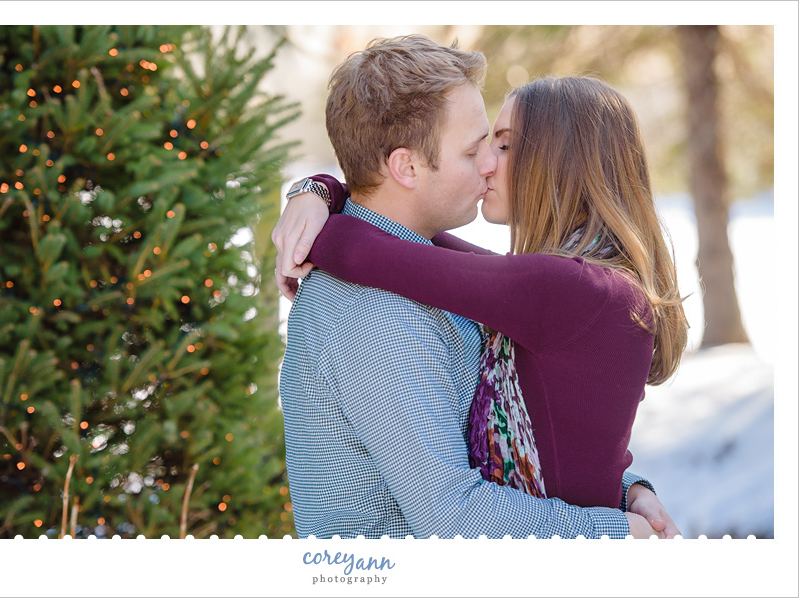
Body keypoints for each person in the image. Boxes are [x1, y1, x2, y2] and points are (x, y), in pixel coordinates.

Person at [275, 35, 679, 539]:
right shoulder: (368, 309)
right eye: (475, 149)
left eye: (501, 144)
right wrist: (617, 530)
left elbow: (537, 436)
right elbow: (455, 520)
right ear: (407, 167)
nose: (489, 162)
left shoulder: (514, 284)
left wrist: (320, 198)